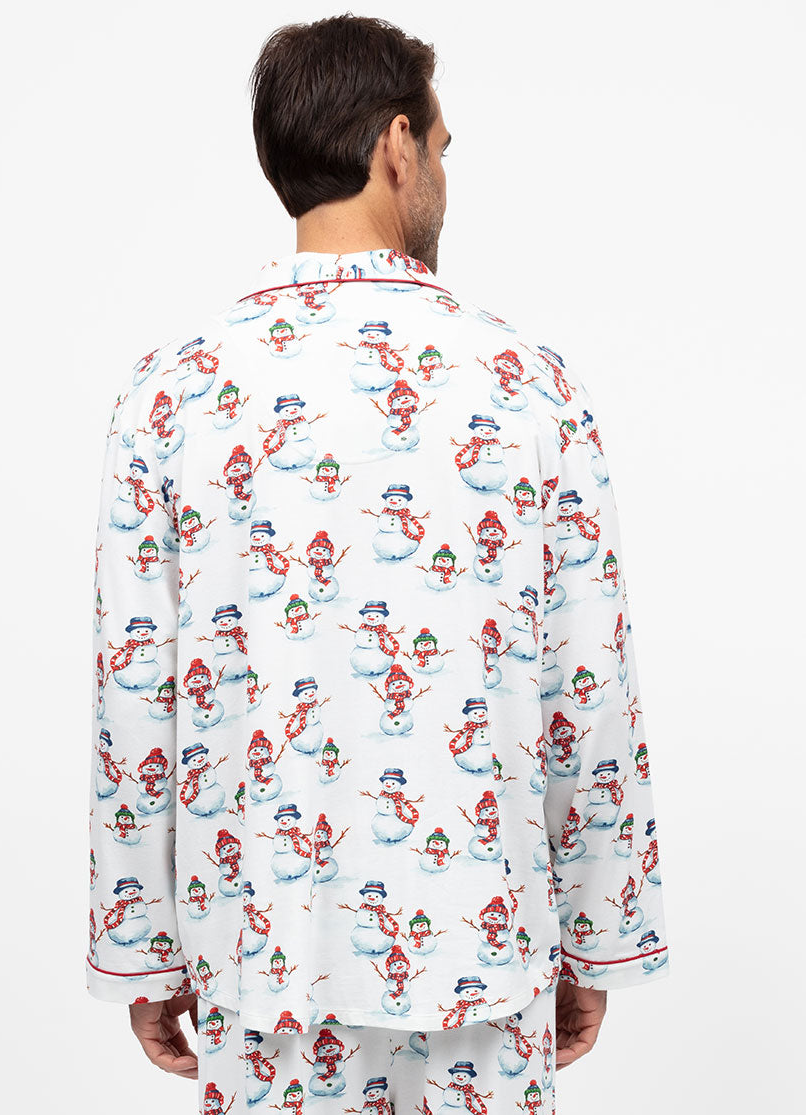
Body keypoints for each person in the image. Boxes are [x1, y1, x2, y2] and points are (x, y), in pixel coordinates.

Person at [85, 14, 670, 1113]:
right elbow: (587, 686)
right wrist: (596, 936)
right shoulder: (526, 385)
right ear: (397, 144)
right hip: (484, 953)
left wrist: (142, 946)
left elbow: (136, 692)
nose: (443, 172)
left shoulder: (172, 394)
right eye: (442, 146)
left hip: (260, 960)